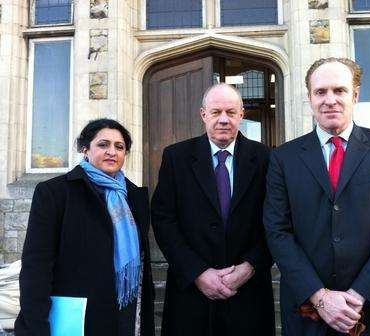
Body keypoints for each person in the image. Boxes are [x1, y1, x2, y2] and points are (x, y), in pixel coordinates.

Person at [264, 58, 370, 336]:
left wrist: (357, 296)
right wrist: (321, 298)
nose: (330, 100)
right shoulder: (283, 158)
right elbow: (278, 231)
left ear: (355, 95)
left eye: (339, 90)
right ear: (310, 98)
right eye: (320, 92)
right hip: (308, 316)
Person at [151, 83, 275, 336]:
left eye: (231, 112)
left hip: (248, 293)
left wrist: (249, 266)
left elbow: (276, 220)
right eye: (216, 112)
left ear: (242, 114)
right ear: (203, 114)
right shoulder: (176, 157)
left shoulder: (266, 158)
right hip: (191, 295)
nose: (223, 119)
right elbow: (164, 219)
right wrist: (197, 272)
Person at [15, 119, 155, 336]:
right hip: (80, 319)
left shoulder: (133, 196)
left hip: (127, 315)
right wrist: (35, 326)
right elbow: (37, 266)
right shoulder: (55, 193)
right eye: (103, 144)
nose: (112, 152)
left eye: (119, 147)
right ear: (85, 149)